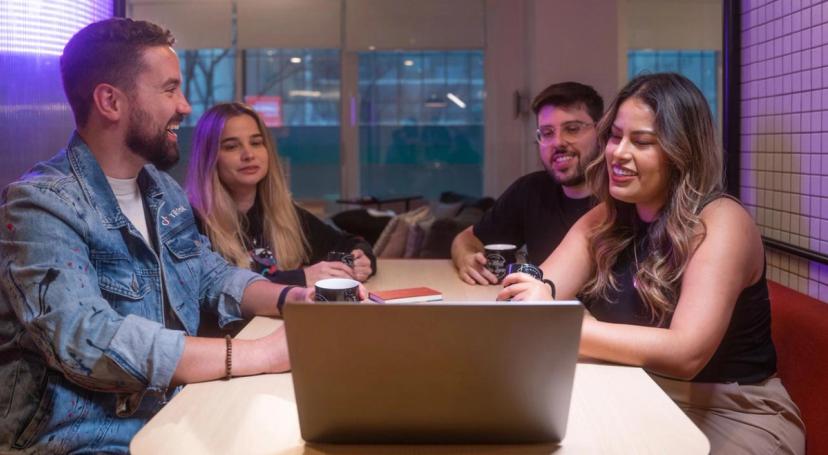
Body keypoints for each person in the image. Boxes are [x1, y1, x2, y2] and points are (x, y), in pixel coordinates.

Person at [0, 19, 342, 453]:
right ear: (110, 101)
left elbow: (208, 273)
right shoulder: (38, 205)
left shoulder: (160, 188)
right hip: (84, 439)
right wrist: (261, 355)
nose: (184, 106)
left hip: (173, 411)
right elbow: (87, 339)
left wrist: (291, 299)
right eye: (169, 89)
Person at [500, 73, 806, 454]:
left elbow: (685, 354)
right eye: (615, 136)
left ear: (682, 151)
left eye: (641, 141)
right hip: (640, 392)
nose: (618, 152)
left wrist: (567, 324)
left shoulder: (722, 221)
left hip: (732, 411)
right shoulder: (608, 218)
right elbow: (540, 285)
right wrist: (532, 281)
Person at [186, 102, 376, 287]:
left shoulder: (284, 213)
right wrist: (300, 279)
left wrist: (362, 258)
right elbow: (215, 291)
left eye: (256, 143)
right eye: (231, 146)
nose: (248, 154)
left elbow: (347, 243)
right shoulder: (191, 223)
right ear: (209, 157)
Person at [451, 81, 602, 284]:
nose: (558, 142)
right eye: (547, 133)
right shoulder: (531, 191)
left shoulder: (622, 197)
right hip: (545, 310)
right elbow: (466, 239)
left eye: (572, 129)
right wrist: (467, 259)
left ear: (601, 131)